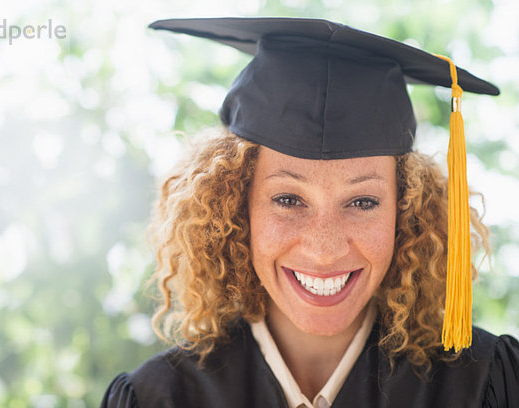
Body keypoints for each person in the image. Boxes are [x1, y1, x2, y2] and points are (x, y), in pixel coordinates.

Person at [100, 18, 519, 408]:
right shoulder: (161, 398)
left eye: (362, 202)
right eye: (288, 199)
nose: (324, 249)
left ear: (407, 213)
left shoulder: (482, 385)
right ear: (235, 206)